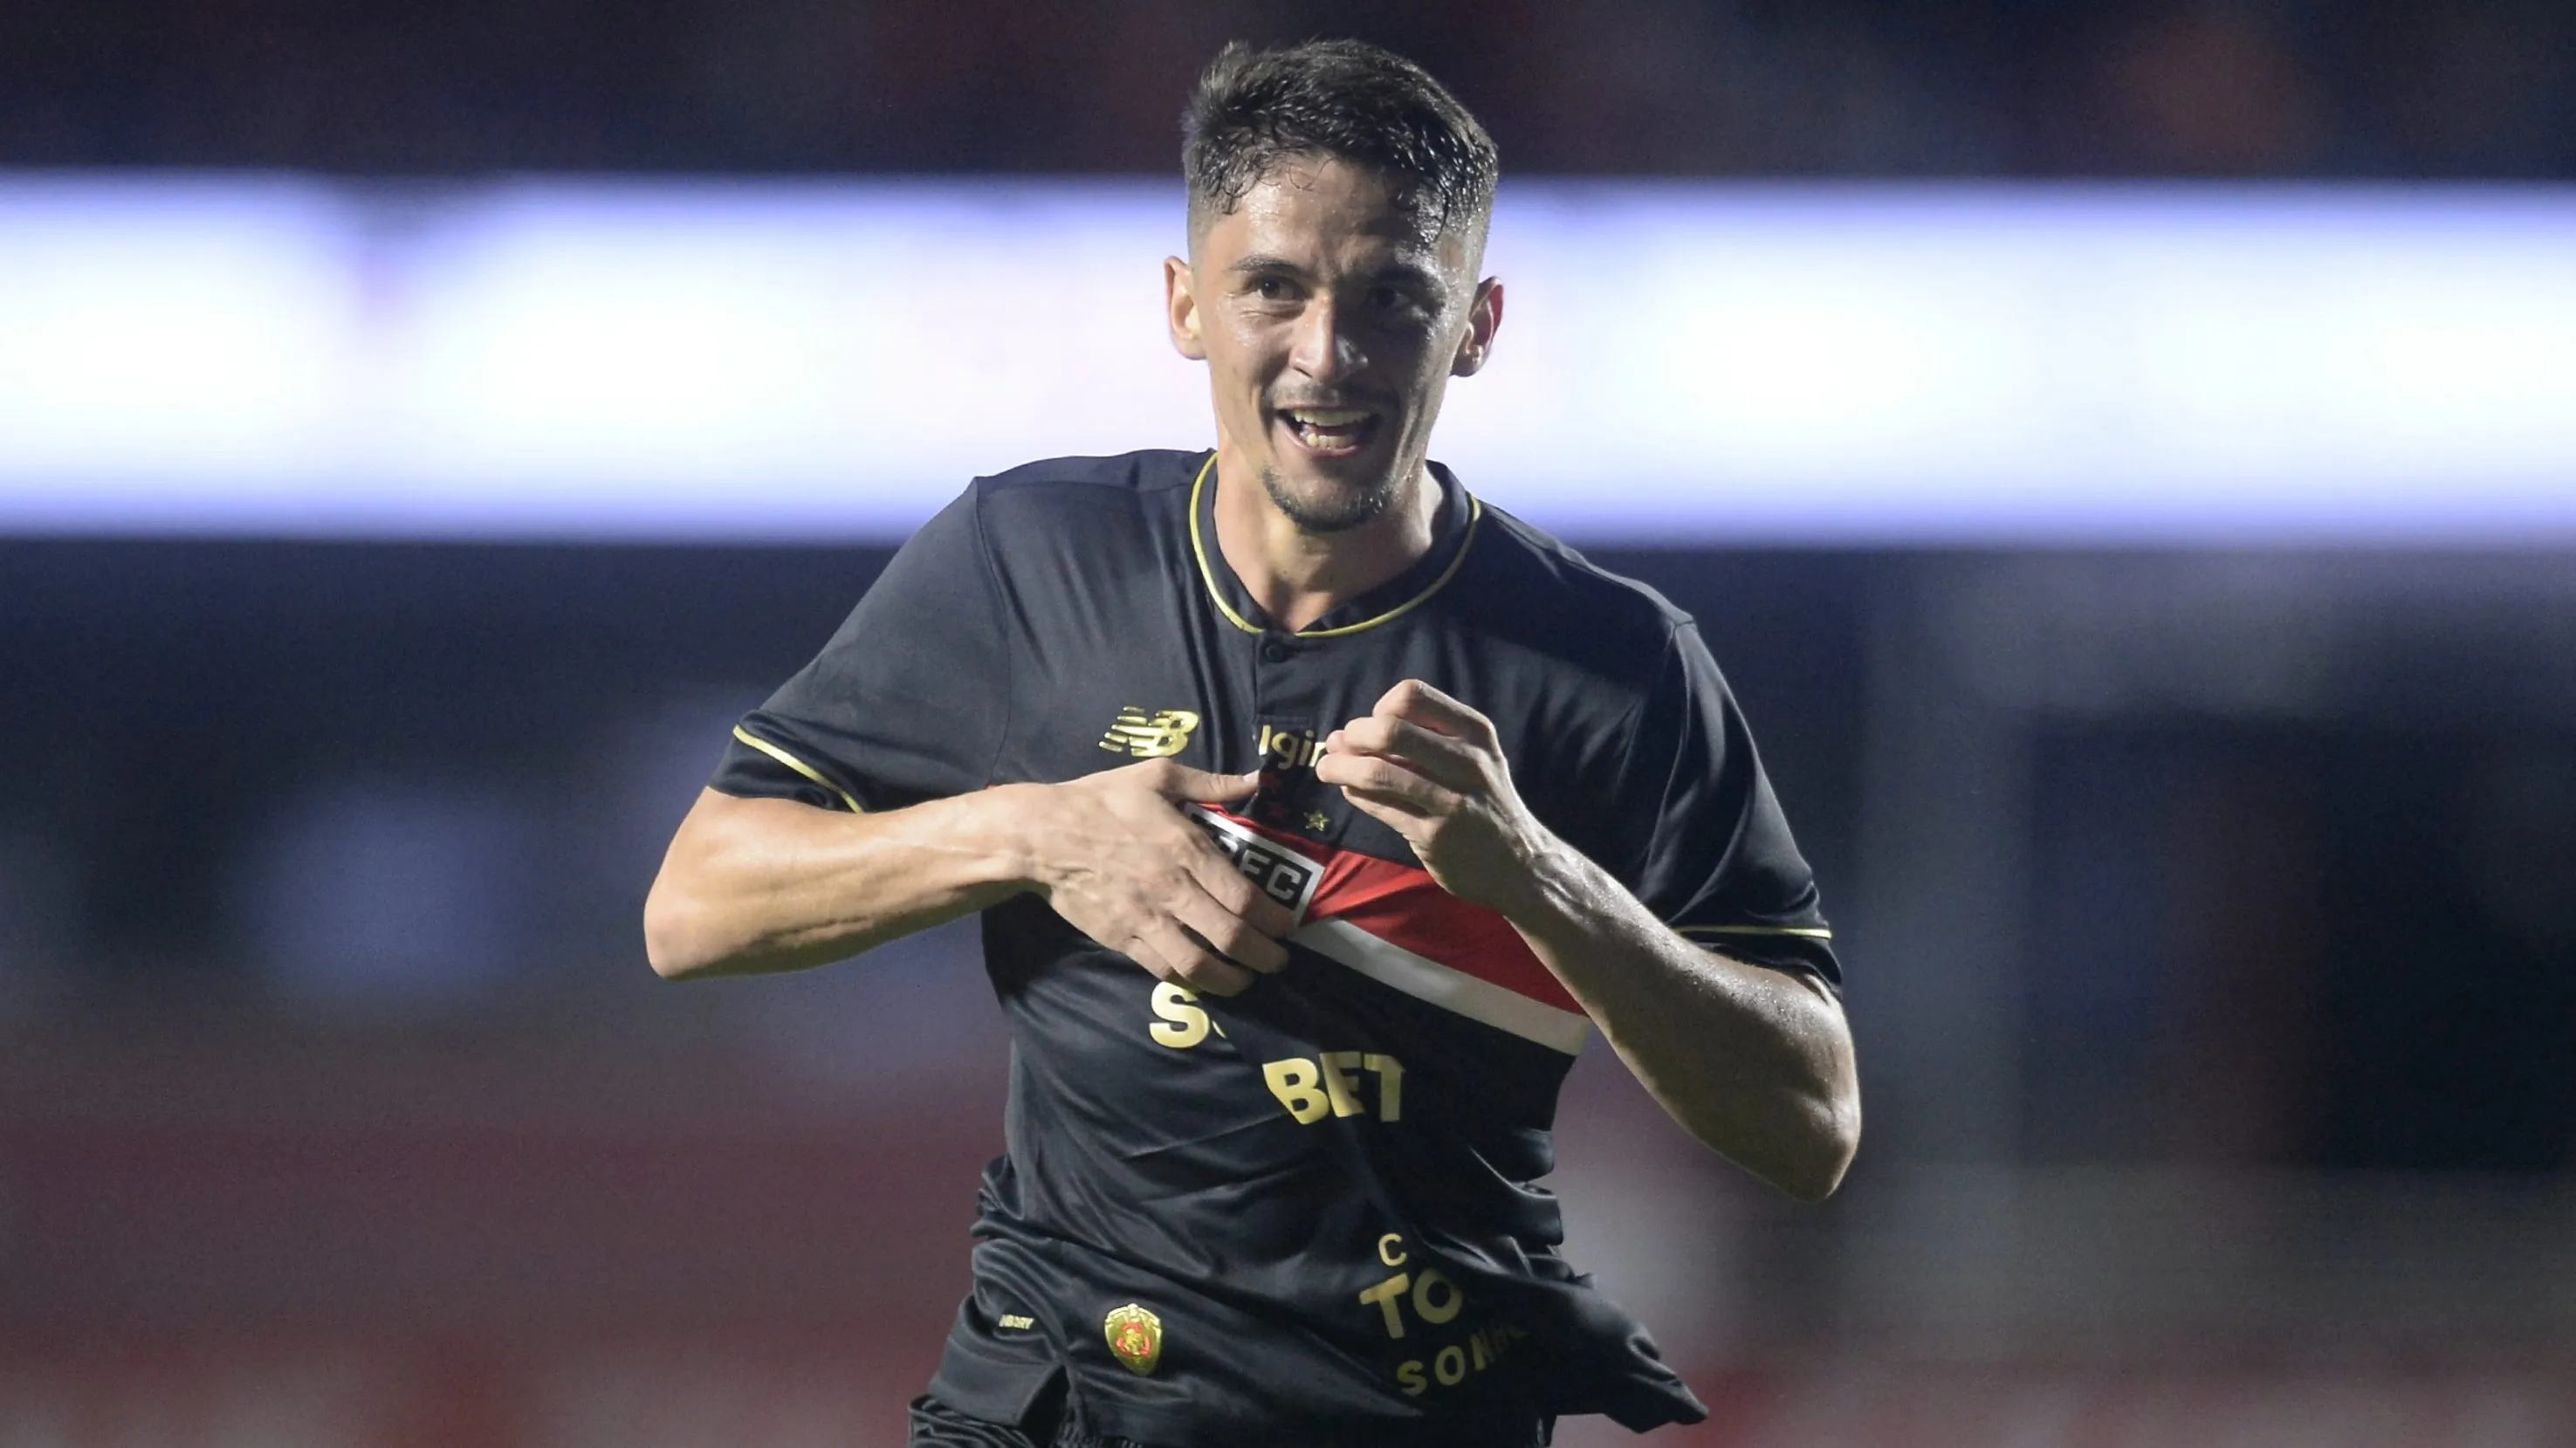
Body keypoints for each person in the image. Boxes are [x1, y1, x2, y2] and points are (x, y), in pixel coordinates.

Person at [643, 38, 1859, 1448]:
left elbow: (1810, 1124)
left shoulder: (1615, 663)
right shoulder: (1024, 560)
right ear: (1185, 304)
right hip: (1055, 1408)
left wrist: (1537, 877)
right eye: (1273, 287)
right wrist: (1034, 829)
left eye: (1392, 298)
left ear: (1476, 325)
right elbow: (695, 907)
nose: (1326, 354)